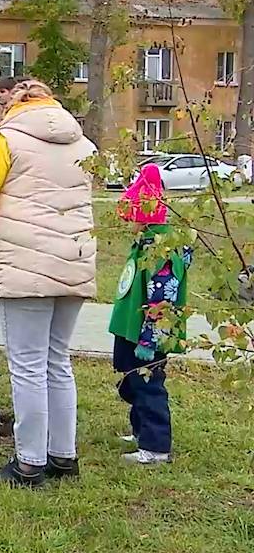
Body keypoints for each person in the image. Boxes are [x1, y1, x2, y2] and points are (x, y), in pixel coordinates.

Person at [0, 79, 97, 487]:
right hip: (75, 260)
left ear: (16, 106)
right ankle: (63, 456)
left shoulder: (5, 141)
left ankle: (29, 462)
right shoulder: (84, 145)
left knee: (28, 365)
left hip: (27, 263)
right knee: (57, 360)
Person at [110, 164, 191, 465]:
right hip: (130, 327)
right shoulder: (145, 241)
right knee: (132, 376)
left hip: (147, 333)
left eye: (131, 217)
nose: (128, 222)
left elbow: (162, 296)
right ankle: (141, 430)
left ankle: (156, 447)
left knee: (149, 384)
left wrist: (150, 337)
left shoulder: (162, 249)